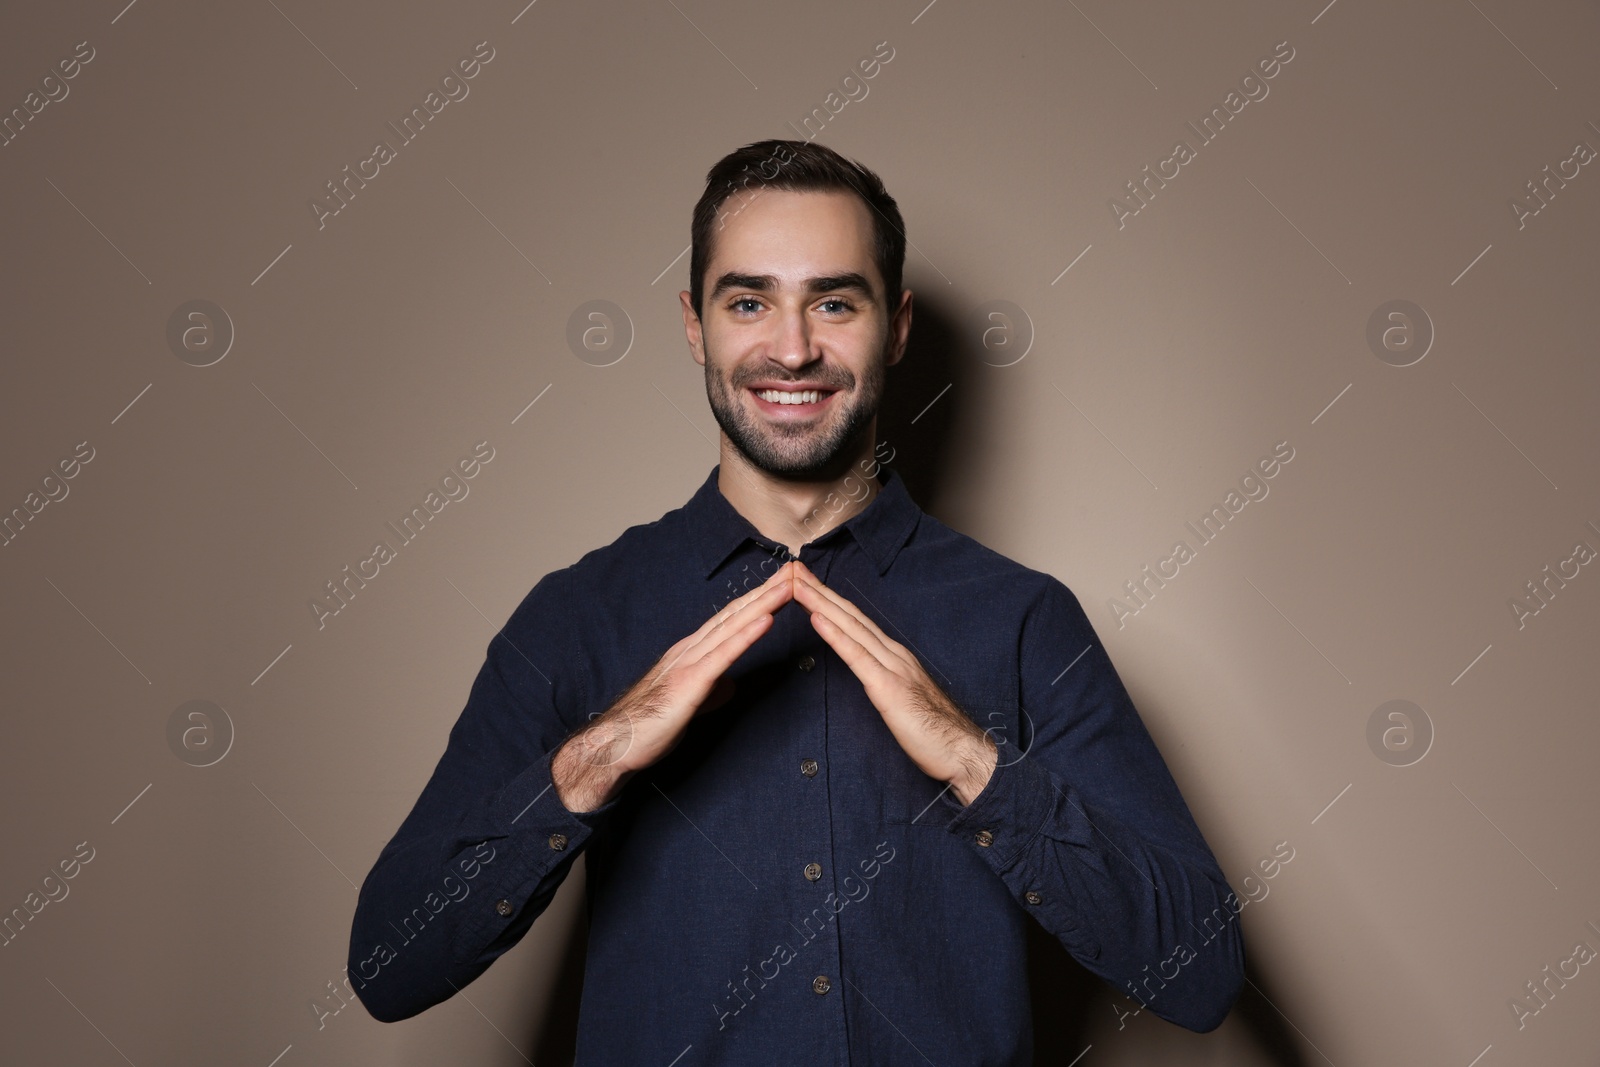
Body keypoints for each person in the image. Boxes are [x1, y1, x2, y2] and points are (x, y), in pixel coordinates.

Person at [347, 138, 1244, 1062]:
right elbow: (389, 966)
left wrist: (980, 766)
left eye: (833, 302)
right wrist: (594, 760)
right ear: (695, 325)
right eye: (749, 301)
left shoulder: (1022, 620)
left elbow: (1203, 974)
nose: (792, 348)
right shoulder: (576, 616)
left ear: (893, 328)